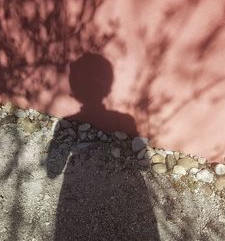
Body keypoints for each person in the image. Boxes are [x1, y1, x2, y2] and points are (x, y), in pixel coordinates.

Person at [46, 53, 160, 240]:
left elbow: (53, 171)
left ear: (74, 89)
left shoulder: (65, 122)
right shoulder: (126, 120)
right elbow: (144, 164)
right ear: (108, 87)